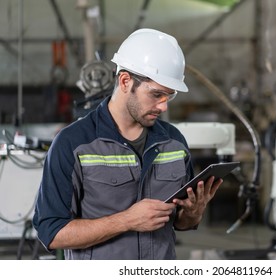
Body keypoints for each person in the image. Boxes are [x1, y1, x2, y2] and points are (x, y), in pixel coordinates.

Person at [33, 28, 223, 260]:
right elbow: (51, 232)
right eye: (156, 95)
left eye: (169, 96)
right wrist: (127, 220)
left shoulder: (174, 143)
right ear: (125, 81)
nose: (163, 106)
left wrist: (193, 214)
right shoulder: (73, 144)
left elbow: (180, 223)